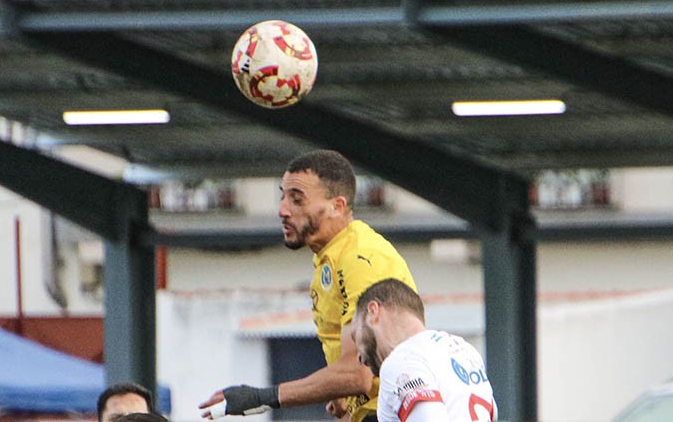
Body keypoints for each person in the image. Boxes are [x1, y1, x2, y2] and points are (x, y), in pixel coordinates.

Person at [199, 149, 417, 422]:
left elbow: (357, 374)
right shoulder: (329, 259)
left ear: (337, 206)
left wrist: (262, 398)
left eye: (297, 199)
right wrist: (340, 397)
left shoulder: (362, 258)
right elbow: (354, 367)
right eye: (282, 196)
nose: (282, 210)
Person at [351, 279, 497, 422]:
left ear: (373, 311)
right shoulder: (465, 351)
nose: (359, 357)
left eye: (354, 335)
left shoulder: (401, 361)